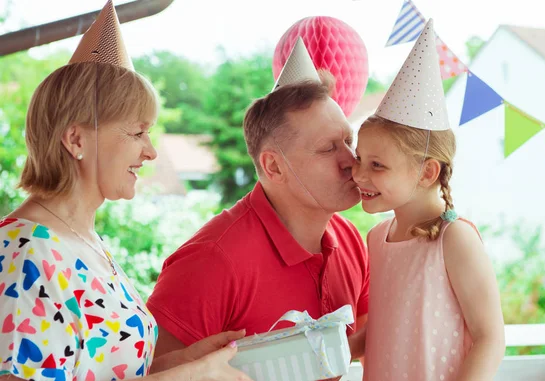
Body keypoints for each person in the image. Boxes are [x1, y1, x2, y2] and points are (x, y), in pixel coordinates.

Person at [0, 2, 250, 380]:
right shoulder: (26, 253)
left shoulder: (83, 241)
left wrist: (187, 362)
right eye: (136, 133)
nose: (150, 151)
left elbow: (108, 370)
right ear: (75, 138)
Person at [147, 37, 370, 367]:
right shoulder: (212, 259)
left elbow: (350, 355)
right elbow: (154, 371)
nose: (351, 160)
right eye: (328, 148)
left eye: (348, 141)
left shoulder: (351, 239)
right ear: (273, 166)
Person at [351, 19, 505, 381]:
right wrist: (341, 348)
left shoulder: (455, 239)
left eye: (377, 165)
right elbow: (388, 328)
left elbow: (490, 337)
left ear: (427, 173)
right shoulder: (377, 238)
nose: (358, 175)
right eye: (359, 159)